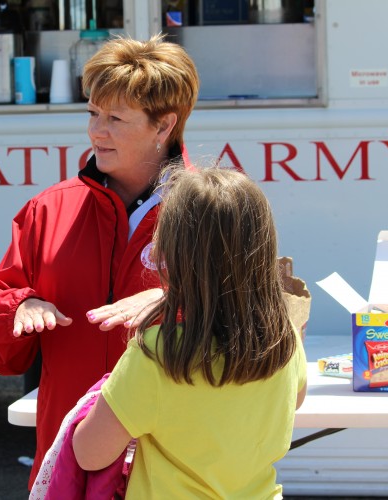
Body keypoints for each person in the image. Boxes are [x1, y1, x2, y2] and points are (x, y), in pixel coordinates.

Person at [0, 33, 200, 488]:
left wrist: (171, 301)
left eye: (115, 118)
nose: (97, 131)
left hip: (175, 462)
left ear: (164, 125)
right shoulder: (48, 209)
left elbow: (250, 322)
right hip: (69, 459)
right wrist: (19, 306)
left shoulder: (212, 211)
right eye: (93, 114)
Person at [72, 166, 308, 499]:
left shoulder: (157, 354)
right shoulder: (285, 340)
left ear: (169, 257)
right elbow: (295, 399)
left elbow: (89, 453)